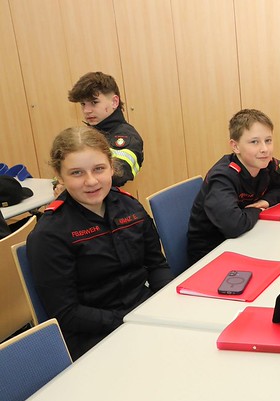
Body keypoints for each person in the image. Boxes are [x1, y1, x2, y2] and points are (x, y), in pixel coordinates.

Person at [27, 127, 174, 360]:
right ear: (59, 175)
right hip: (95, 337)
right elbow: (67, 313)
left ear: (111, 166)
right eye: (77, 173)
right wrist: (131, 321)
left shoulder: (130, 207)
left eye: (99, 169)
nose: (91, 181)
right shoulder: (49, 234)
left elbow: (157, 265)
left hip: (144, 314)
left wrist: (168, 305)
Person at [187, 109, 280, 265]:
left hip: (246, 240)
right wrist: (257, 210)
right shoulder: (223, 177)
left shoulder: (265, 164)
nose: (264, 149)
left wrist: (266, 201)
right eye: (254, 142)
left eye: (268, 140)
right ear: (235, 146)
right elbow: (233, 225)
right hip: (212, 255)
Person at [66, 71, 143, 188]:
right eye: (83, 104)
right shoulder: (86, 134)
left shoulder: (126, 136)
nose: (86, 110)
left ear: (114, 102)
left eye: (94, 102)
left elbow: (119, 174)